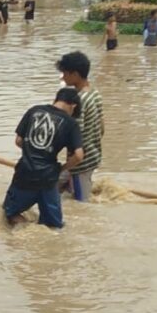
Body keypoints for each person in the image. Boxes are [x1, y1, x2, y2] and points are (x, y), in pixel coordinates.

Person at [3, 87, 84, 229]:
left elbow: (18, 141)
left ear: (56, 99)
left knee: (10, 213)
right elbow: (79, 156)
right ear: (73, 106)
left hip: (25, 174)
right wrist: (62, 168)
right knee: (53, 226)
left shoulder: (33, 111)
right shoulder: (71, 123)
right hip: (49, 178)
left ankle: (25, 233)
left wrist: (32, 150)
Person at [55, 51, 103, 201]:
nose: (62, 77)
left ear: (75, 74)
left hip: (80, 163)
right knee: (52, 187)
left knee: (82, 205)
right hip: (92, 155)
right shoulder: (95, 93)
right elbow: (101, 128)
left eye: (64, 74)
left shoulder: (77, 101)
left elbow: (75, 134)